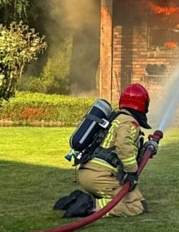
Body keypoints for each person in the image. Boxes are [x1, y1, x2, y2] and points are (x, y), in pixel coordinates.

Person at [57, 83, 157, 218]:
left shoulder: (115, 118)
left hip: (87, 173)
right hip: (101, 177)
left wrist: (146, 148)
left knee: (129, 198)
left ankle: (77, 199)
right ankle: (90, 206)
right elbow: (123, 146)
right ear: (142, 105)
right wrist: (132, 172)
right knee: (136, 205)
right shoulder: (129, 122)